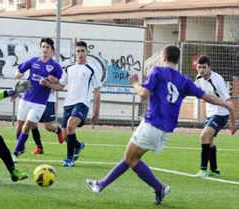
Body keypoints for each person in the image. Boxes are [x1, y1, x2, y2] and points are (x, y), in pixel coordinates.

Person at [85, 45, 237, 205]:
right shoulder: (184, 80)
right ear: (178, 60)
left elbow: (143, 94)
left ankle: (159, 187)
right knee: (130, 158)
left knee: (130, 159)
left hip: (152, 123)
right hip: (166, 130)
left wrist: (135, 82)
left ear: (163, 57)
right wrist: (226, 104)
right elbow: (206, 96)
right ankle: (101, 185)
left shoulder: (157, 71)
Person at [40, 41, 102, 167]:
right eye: (78, 51)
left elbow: (97, 92)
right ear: (75, 53)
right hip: (68, 104)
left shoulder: (92, 69)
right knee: (65, 135)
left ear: (87, 52)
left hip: (82, 103)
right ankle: (78, 146)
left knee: (70, 126)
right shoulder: (69, 68)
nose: (80, 53)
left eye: (83, 51)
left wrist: (96, 113)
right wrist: (47, 84)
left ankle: (69, 159)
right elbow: (60, 86)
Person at [12, 37, 63, 162]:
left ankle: (15, 153)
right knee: (19, 126)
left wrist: (52, 81)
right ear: (40, 48)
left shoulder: (55, 66)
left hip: (40, 103)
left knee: (28, 125)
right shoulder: (33, 61)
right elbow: (19, 71)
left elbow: (61, 83)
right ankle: (21, 147)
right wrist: (18, 74)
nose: (45, 49)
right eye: (43, 47)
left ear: (52, 51)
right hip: (26, 98)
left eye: (48, 47)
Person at [194, 55, 237, 178]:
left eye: (204, 67)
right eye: (199, 67)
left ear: (209, 67)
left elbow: (230, 103)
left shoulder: (217, 80)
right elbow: (193, 90)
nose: (201, 70)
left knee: (203, 136)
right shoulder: (198, 77)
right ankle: (214, 169)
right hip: (210, 113)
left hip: (221, 113)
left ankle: (202, 170)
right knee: (209, 140)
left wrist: (233, 124)